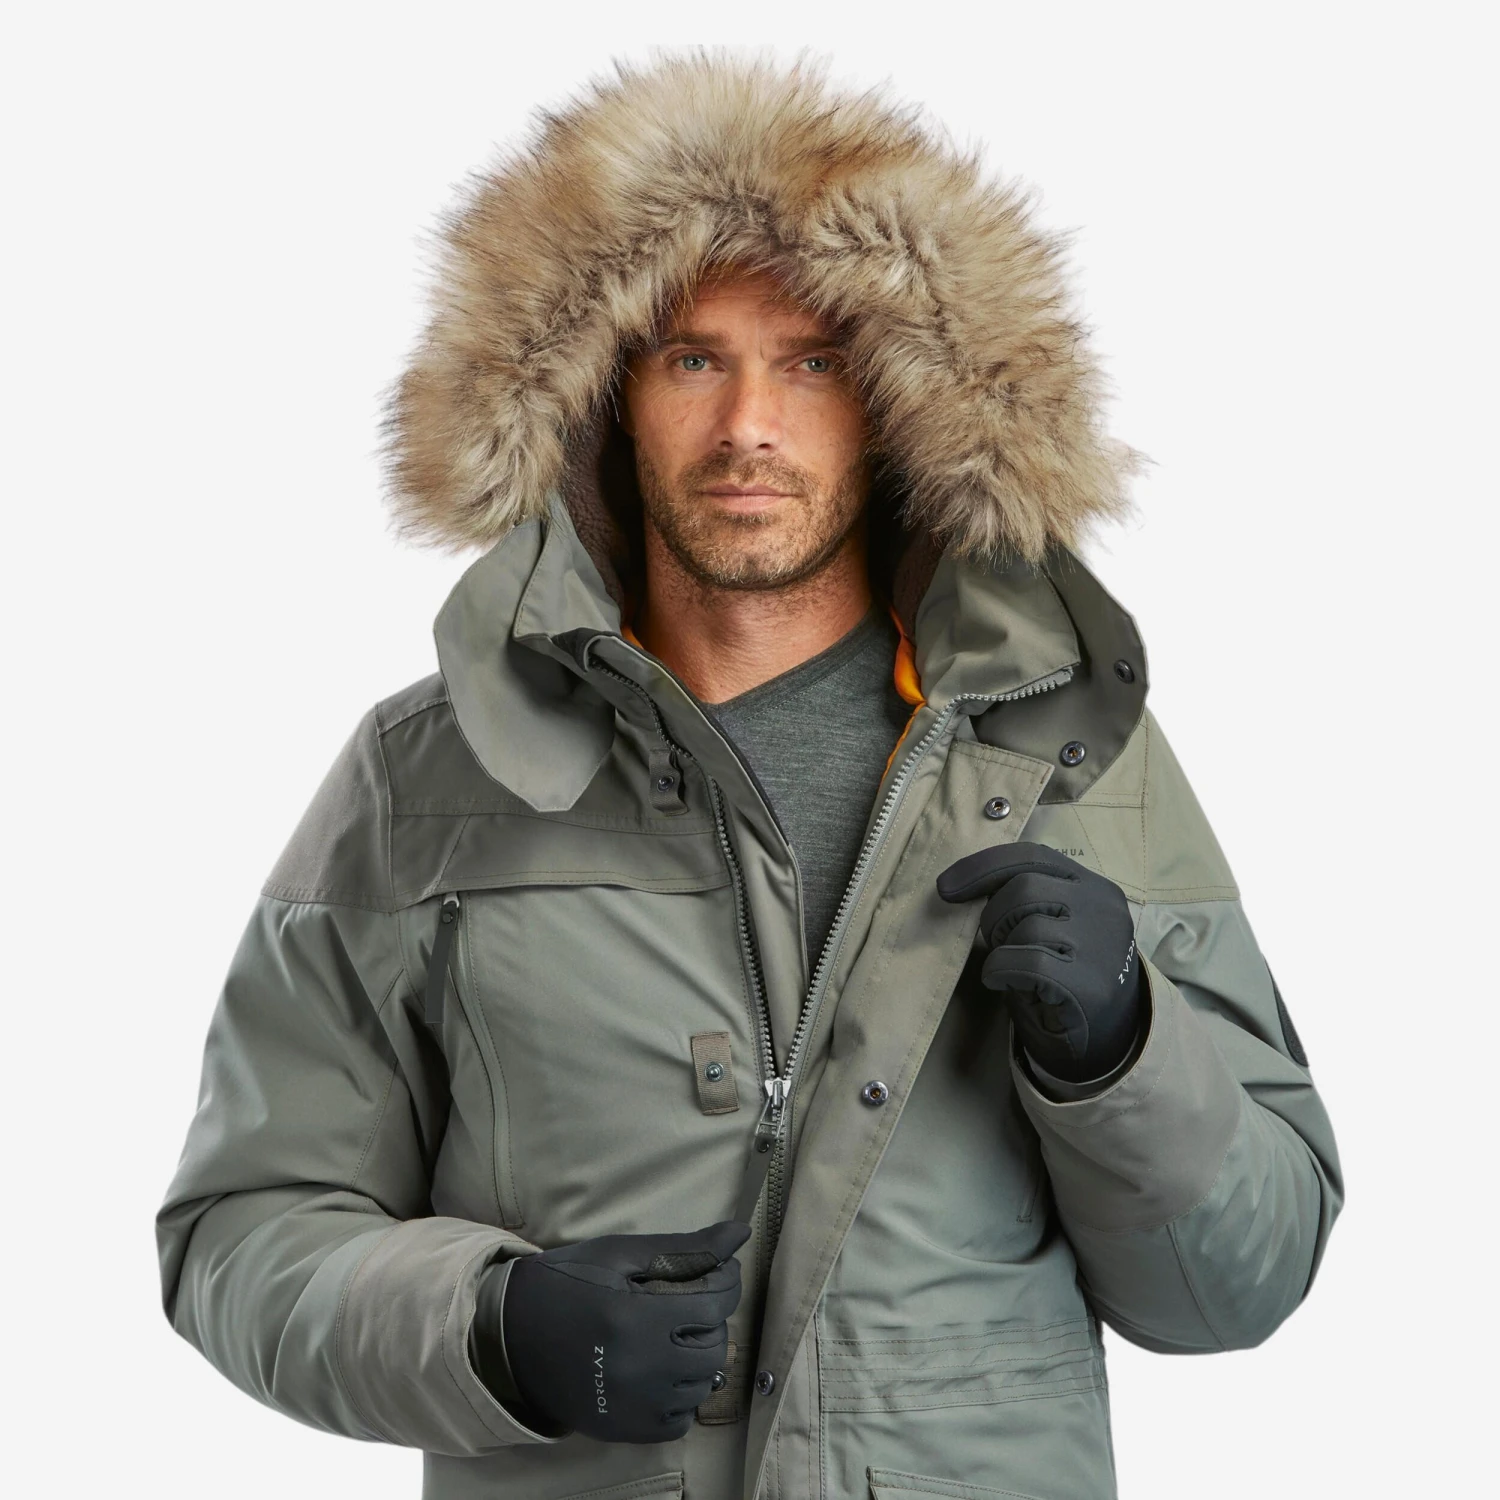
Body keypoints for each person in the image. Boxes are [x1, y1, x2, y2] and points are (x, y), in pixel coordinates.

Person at [155, 49, 1344, 1500]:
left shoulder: (1067, 752)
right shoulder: (435, 774)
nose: (749, 429)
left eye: (815, 362)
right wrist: (492, 1327)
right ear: (606, 392)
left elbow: (1241, 1282)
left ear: (898, 399)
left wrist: (1121, 1049)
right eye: (692, 358)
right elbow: (239, 1232)